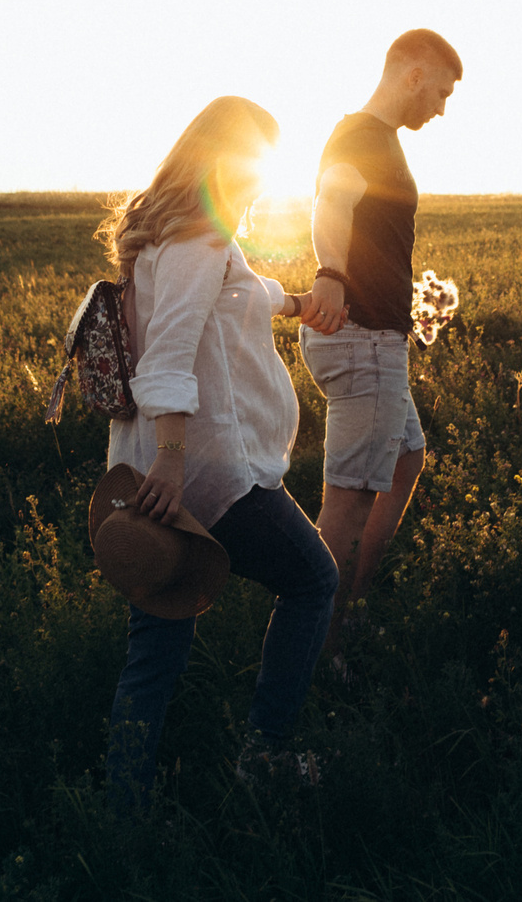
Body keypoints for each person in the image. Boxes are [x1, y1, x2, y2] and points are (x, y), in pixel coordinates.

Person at [100, 96, 338, 808]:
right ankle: (263, 756)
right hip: (207, 471)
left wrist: (293, 301)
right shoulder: (200, 239)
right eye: (252, 165)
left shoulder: (164, 236)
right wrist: (173, 464)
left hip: (154, 470)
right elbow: (170, 353)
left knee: (159, 644)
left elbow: (233, 294)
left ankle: (120, 813)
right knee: (313, 582)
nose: (259, 183)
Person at [299, 28, 461, 658]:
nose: (442, 108)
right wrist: (332, 274)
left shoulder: (380, 142)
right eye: (441, 92)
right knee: (346, 505)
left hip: (378, 340)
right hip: (363, 342)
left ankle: (349, 606)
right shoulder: (360, 136)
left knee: (404, 460)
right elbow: (330, 202)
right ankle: (320, 645)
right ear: (413, 75)